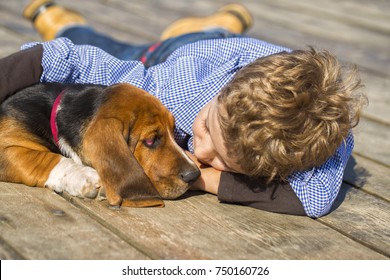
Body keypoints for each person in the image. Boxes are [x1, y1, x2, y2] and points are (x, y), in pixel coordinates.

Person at [0, 0, 366, 218]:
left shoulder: (317, 146)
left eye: (223, 159)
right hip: (173, 55)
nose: (200, 153)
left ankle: (221, 24)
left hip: (235, 55)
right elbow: (66, 59)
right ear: (219, 96)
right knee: (106, 48)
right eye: (205, 129)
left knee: (208, 39)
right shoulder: (175, 84)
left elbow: (313, 199)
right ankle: (66, 20)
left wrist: (206, 179)